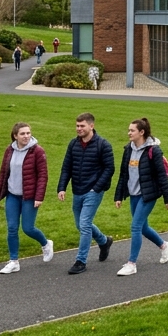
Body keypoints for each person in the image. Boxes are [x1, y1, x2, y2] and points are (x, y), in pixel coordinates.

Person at [113, 118, 168, 276]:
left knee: (135, 226)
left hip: (148, 194)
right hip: (133, 194)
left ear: (142, 132)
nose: (129, 133)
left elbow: (161, 176)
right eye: (129, 130)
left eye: (132, 130)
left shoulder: (153, 150)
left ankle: (131, 264)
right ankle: (164, 245)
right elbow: (123, 174)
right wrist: (118, 195)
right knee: (143, 227)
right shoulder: (128, 149)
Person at [57, 112, 115, 274]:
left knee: (84, 224)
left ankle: (80, 261)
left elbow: (109, 168)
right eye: (77, 126)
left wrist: (96, 188)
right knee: (81, 224)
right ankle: (104, 242)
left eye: (82, 126)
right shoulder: (73, 144)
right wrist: (62, 187)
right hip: (78, 189)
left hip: (93, 191)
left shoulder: (103, 145)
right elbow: (66, 167)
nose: (79, 129)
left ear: (91, 126)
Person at [0, 123, 53, 274]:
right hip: (12, 195)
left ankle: (46, 244)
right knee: (12, 228)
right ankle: (14, 261)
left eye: (28, 133)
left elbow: (43, 176)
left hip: (30, 197)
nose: (26, 136)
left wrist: (39, 197)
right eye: (22, 134)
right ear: (15, 136)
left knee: (28, 228)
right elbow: (3, 174)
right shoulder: (9, 150)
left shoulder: (38, 151)